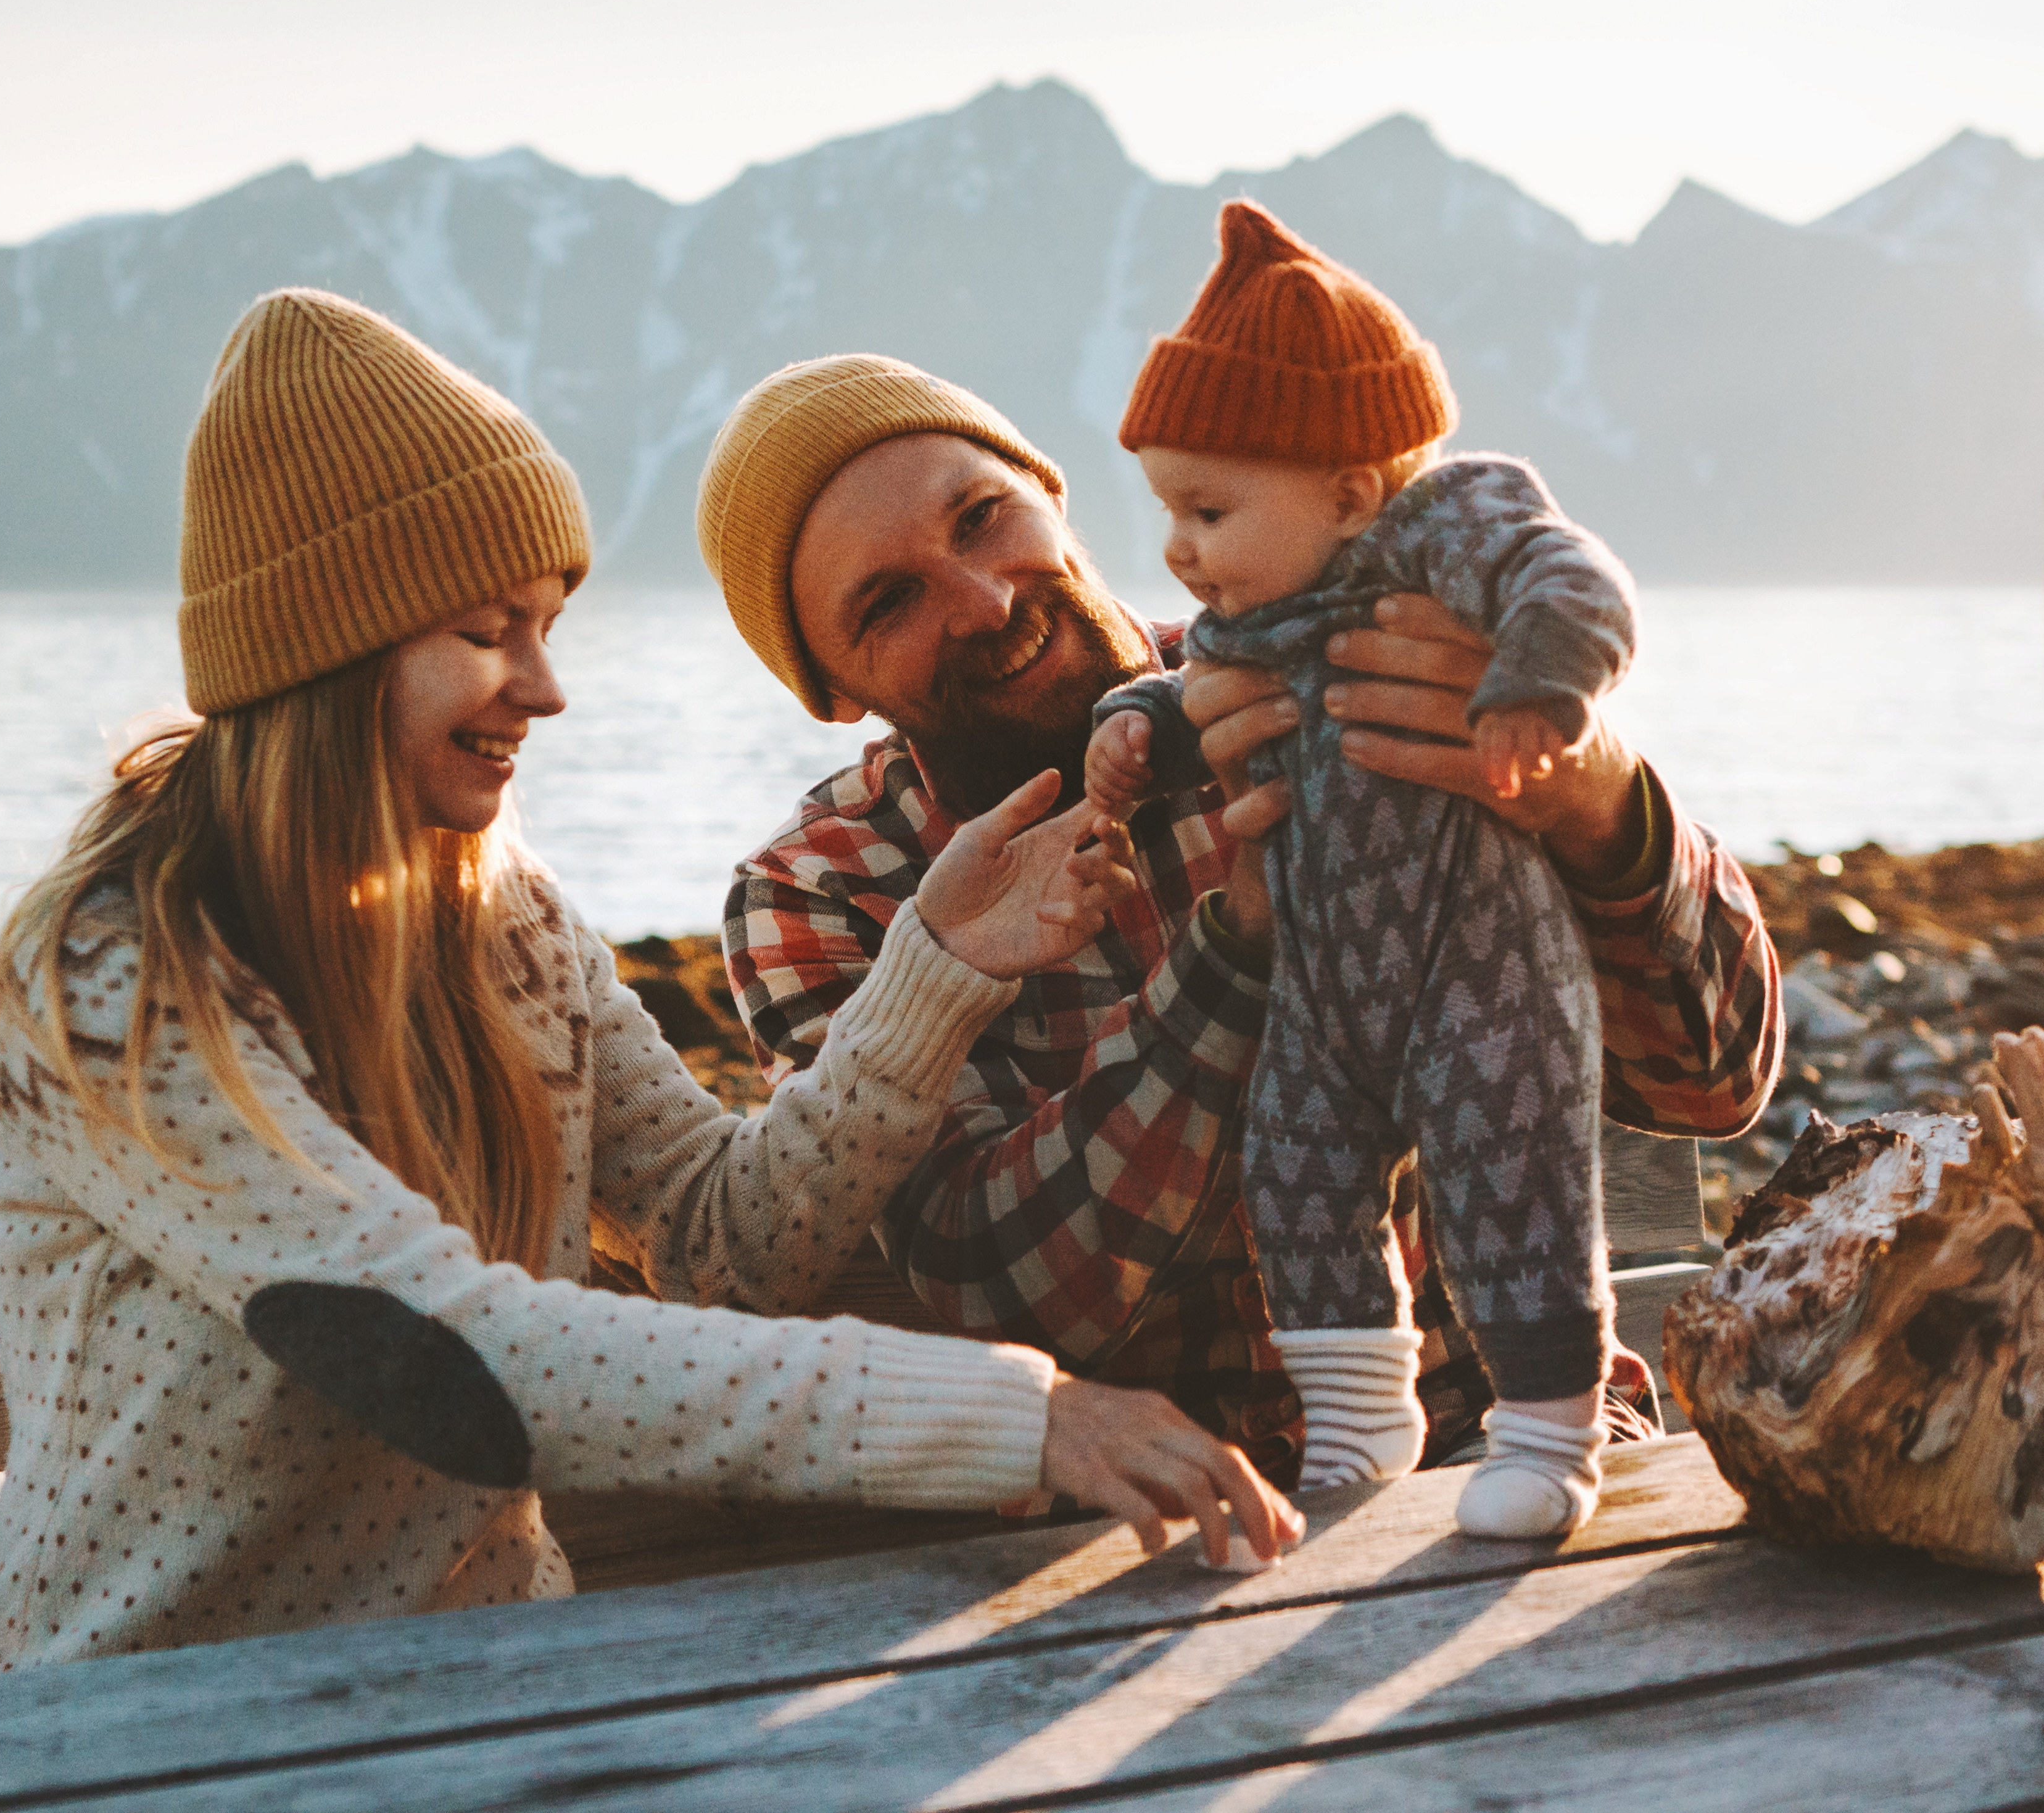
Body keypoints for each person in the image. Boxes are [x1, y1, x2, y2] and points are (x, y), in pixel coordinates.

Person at [0, 287, 1296, 1673]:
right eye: (490, 630)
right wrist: (1023, 1413)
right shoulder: (113, 966)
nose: (542, 688)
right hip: (145, 1723)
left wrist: (935, 969)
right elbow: (431, 1344)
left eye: (546, 624)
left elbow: (727, 1238)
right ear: (333, 642)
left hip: (494, 1687)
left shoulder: (504, 919)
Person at [695, 327, 1779, 1492]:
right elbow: (1000, 1283)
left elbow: (1713, 1078)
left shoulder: (1362, 664)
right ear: (830, 690)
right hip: (1137, 1538)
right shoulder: (823, 889)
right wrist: (1238, 956)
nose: (982, 598)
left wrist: (1592, 799)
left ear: (1051, 495)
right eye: (889, 602)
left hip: (1505, 1454)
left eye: (980, 517)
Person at [1083, 200, 1639, 1537]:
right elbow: (1187, 688)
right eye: (1167, 510)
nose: (1176, 547)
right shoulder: (1252, 619)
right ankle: (1357, 1413)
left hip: (1475, 965)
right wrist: (1130, 729)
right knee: (1295, 1169)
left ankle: (1551, 1434)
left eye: (1207, 507)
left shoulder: (1440, 530)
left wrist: (1538, 694)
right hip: (1325, 996)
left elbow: (1573, 580)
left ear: (1346, 488)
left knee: (1511, 1176)